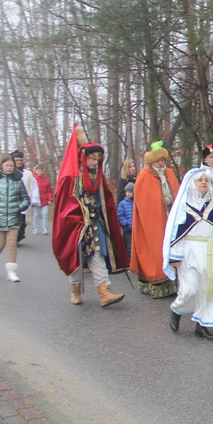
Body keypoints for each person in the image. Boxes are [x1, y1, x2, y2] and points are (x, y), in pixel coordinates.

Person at [52, 127, 128, 307]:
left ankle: (104, 292)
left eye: (98, 159)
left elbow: (105, 199)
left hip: (95, 224)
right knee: (77, 258)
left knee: (97, 255)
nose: (95, 162)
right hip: (76, 225)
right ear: (83, 158)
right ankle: (75, 290)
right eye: (92, 158)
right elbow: (65, 203)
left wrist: (102, 214)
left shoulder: (97, 177)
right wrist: (81, 214)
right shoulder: (71, 177)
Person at [163, 168, 213, 341]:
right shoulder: (183, 207)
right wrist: (175, 256)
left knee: (209, 291)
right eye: (199, 180)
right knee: (190, 290)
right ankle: (176, 309)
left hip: (211, 253)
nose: (203, 182)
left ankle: (202, 326)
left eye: (206, 180)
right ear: (192, 183)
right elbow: (176, 233)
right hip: (189, 253)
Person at [130, 141, 180, 298]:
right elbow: (143, 200)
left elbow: (177, 193)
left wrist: (170, 199)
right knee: (155, 249)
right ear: (151, 161)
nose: (161, 163)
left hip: (170, 218)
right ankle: (156, 283)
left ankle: (171, 282)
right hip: (154, 221)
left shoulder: (169, 174)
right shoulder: (145, 175)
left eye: (163, 160)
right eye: (158, 160)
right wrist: (161, 201)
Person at [0, 154, 30, 282]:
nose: (9, 168)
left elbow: (26, 198)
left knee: (12, 243)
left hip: (14, 218)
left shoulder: (18, 181)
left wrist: (19, 207)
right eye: (7, 165)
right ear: (1, 165)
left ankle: (11, 271)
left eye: (11, 166)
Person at [10, 149, 39, 244]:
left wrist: (34, 199)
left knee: (23, 222)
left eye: (20, 160)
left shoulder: (28, 174)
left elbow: (34, 187)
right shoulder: (8, 172)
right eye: (16, 160)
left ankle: (19, 235)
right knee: (14, 222)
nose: (18, 162)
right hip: (11, 202)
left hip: (24, 202)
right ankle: (14, 239)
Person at [32, 164, 53, 235]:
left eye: (41, 171)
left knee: (45, 214)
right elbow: (31, 190)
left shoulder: (46, 181)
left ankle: (44, 228)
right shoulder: (33, 180)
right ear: (35, 171)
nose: (40, 172)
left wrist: (50, 199)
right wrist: (31, 200)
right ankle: (35, 228)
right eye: (38, 171)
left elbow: (49, 191)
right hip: (37, 201)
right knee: (36, 214)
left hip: (45, 200)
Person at [117, 182, 134, 253]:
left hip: (136, 229)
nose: (128, 194)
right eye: (126, 192)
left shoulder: (136, 202)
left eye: (130, 192)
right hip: (128, 229)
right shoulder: (122, 203)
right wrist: (125, 223)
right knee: (129, 246)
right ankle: (129, 261)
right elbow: (120, 215)